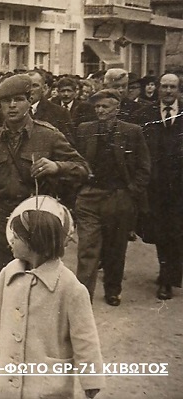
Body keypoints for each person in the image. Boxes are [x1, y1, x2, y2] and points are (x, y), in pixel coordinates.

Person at [0, 74, 89, 395]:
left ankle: (34, 372)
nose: (11, 107)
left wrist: (56, 167)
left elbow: (83, 169)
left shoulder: (49, 137)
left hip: (36, 225)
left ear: (30, 101)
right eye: (5, 102)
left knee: (40, 301)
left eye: (17, 100)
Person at [0, 209, 104, 399]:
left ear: (33, 242)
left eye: (16, 237)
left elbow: (85, 338)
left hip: (45, 386)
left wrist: (91, 380)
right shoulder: (8, 274)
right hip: (7, 383)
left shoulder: (71, 288)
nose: (11, 242)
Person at [74, 89, 150, 306]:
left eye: (105, 107)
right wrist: (78, 190)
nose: (100, 110)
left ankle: (113, 289)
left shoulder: (132, 132)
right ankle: (82, 297)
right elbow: (76, 161)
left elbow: (144, 167)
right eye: (97, 107)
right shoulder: (84, 130)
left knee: (115, 248)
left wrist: (132, 191)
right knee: (87, 248)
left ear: (117, 109)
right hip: (89, 196)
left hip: (118, 197)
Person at [141, 73, 183, 300]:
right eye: (164, 86)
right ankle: (168, 273)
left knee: (176, 231)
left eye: (172, 87)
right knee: (161, 231)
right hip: (155, 186)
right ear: (158, 88)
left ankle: (169, 276)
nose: (168, 91)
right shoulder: (146, 114)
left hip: (180, 187)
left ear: (178, 90)